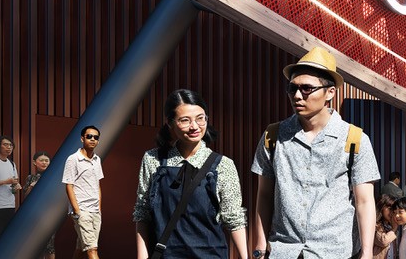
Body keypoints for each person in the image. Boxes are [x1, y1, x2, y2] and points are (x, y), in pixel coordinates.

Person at [251, 47, 380, 259]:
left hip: (334, 252)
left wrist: (367, 253)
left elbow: (364, 201)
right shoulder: (273, 136)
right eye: (292, 88)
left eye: (307, 89)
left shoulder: (354, 139)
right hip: (284, 251)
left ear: (330, 92)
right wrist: (259, 246)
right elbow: (264, 195)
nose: (297, 96)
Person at [134, 89, 247, 259]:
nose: (194, 126)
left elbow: (234, 218)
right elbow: (143, 212)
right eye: (184, 120)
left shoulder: (223, 165)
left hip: (211, 254)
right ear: (170, 123)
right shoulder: (153, 159)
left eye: (200, 118)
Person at [62, 125, 104, 259]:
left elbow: (97, 185)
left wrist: (99, 208)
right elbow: (69, 185)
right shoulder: (73, 159)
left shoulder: (97, 160)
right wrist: (77, 211)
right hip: (82, 210)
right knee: (92, 250)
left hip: (95, 211)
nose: (92, 139)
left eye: (96, 137)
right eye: (89, 136)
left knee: (81, 248)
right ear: (82, 138)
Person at [24, 151, 57, 258]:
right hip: (33, 216)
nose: (44, 163)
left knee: (49, 245)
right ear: (34, 162)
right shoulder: (31, 178)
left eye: (47, 160)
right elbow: (26, 198)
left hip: (49, 215)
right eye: (41, 160)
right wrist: (32, 187)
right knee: (35, 245)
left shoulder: (54, 177)